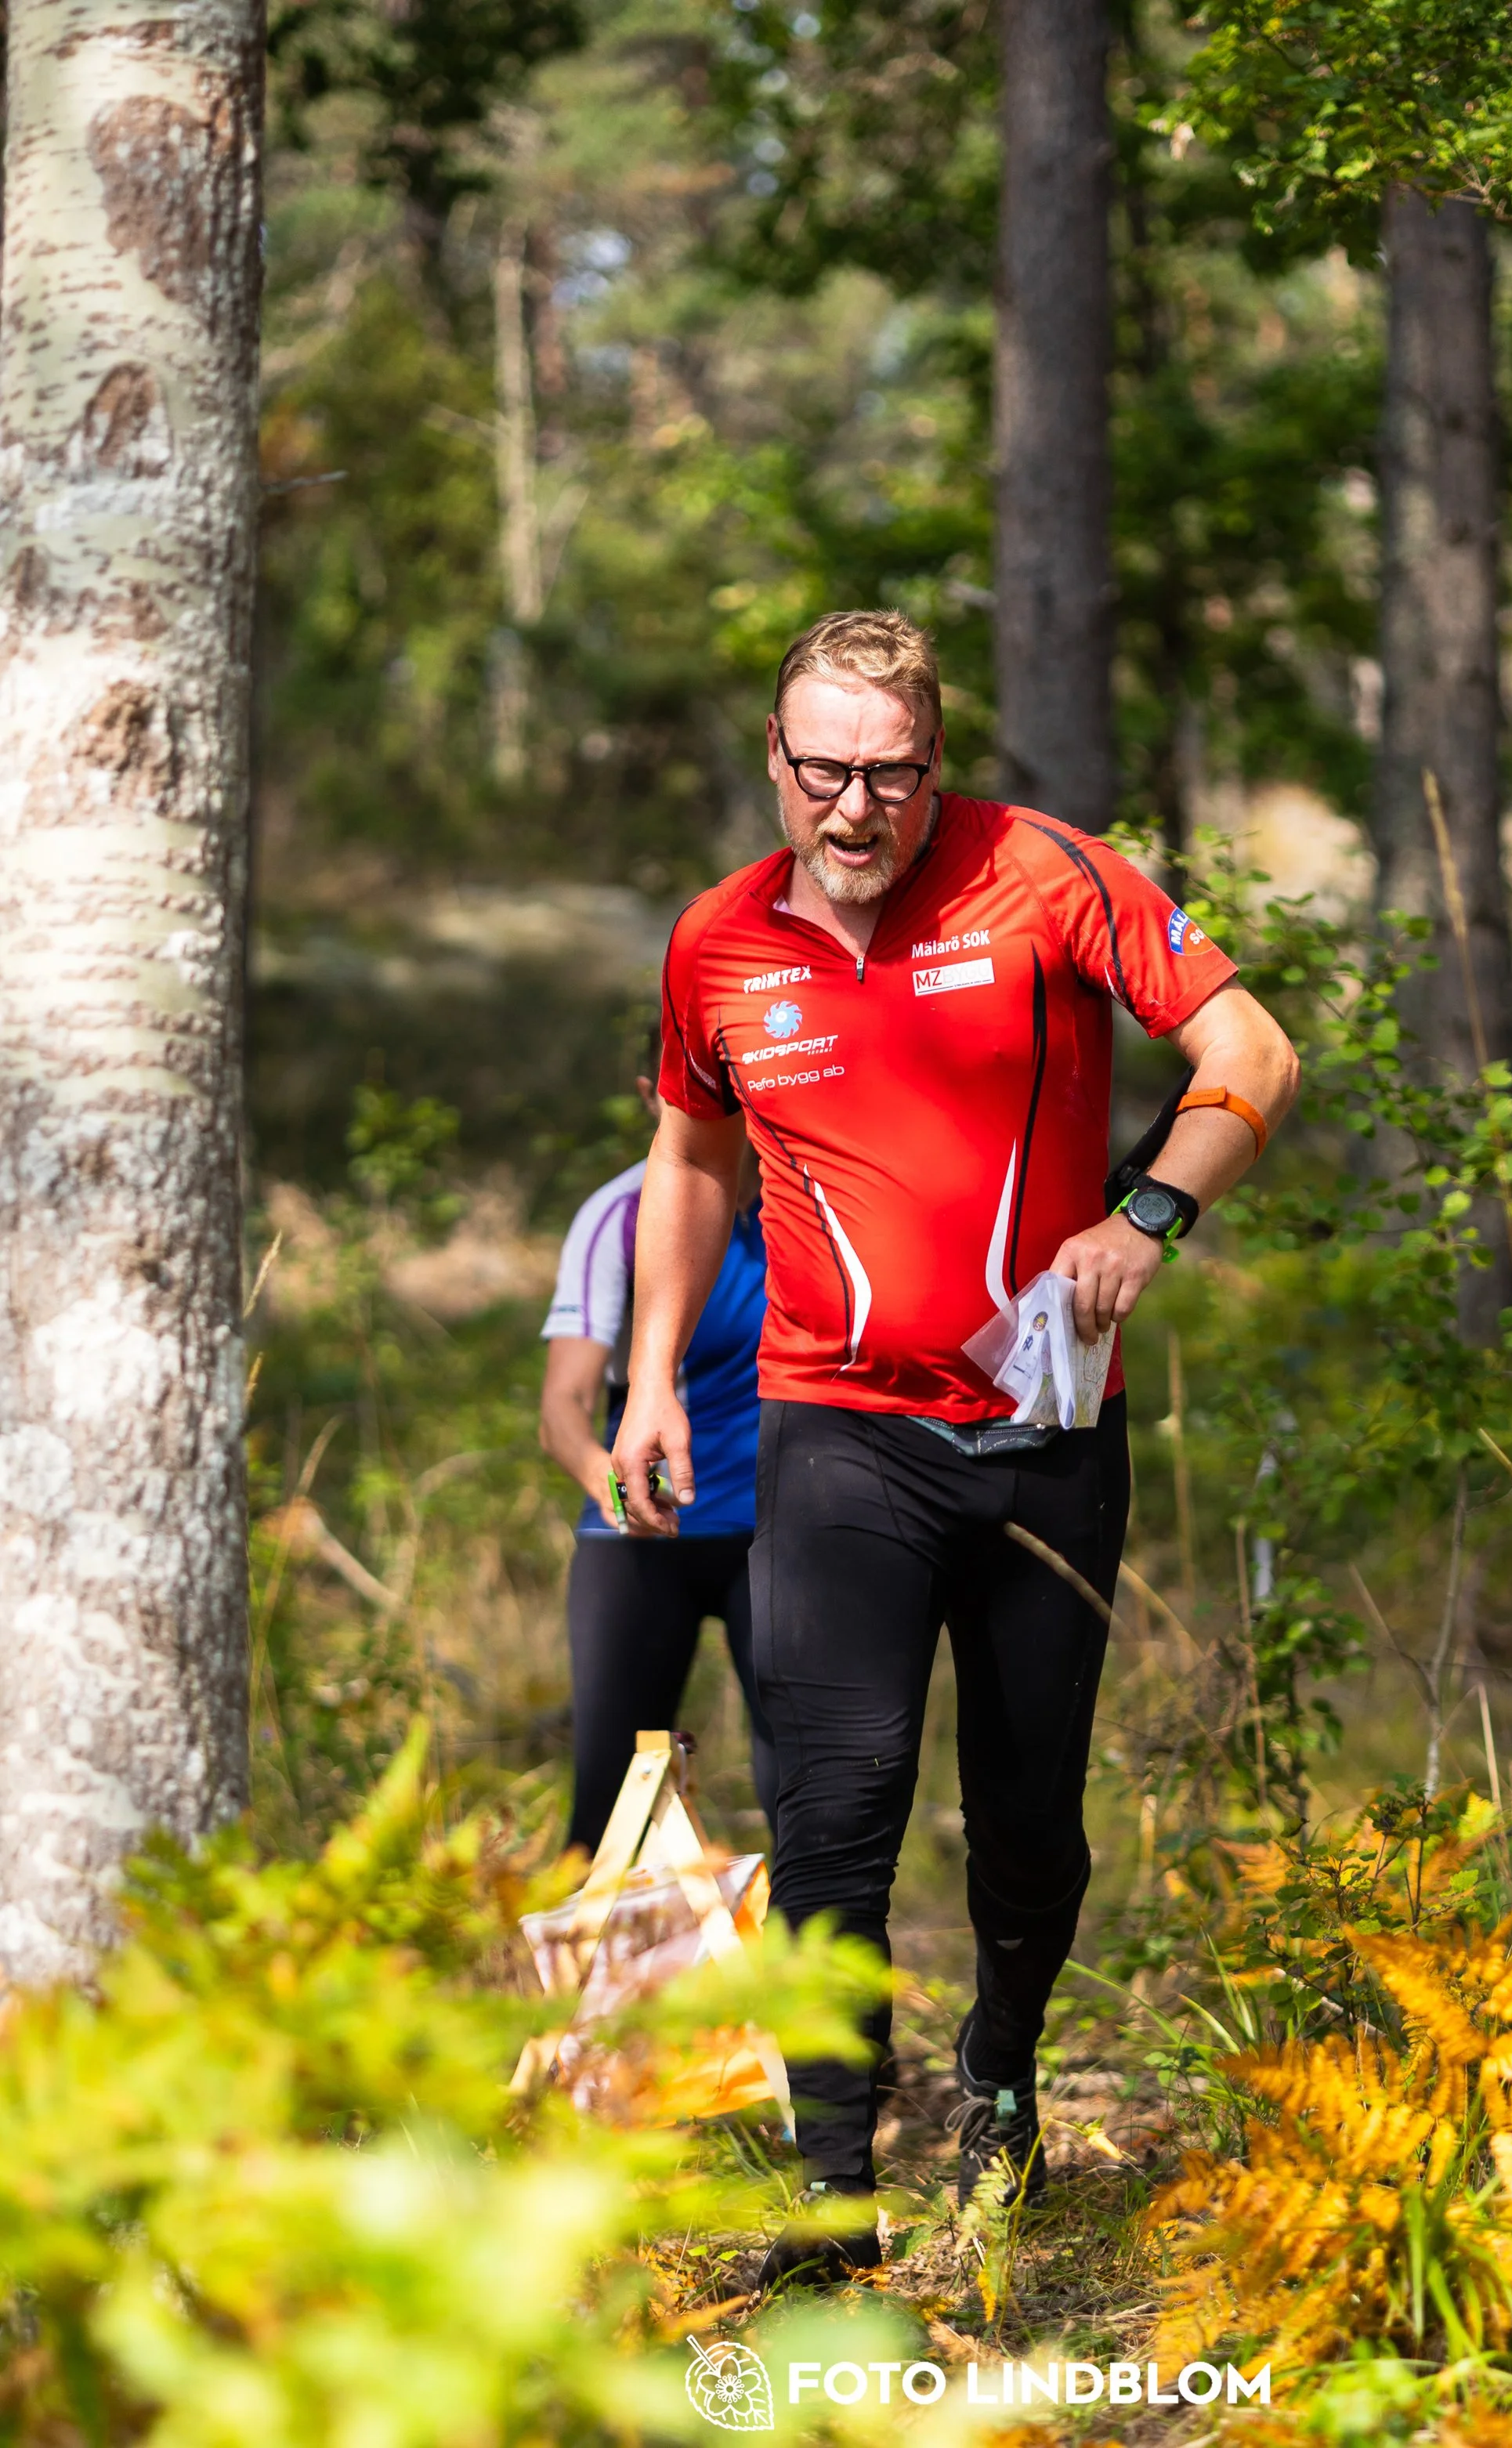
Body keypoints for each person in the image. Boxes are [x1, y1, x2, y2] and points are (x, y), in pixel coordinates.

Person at [611, 609, 1297, 2283]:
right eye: (823, 770)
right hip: (832, 1425)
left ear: (936, 764)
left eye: (890, 773)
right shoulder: (717, 943)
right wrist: (645, 1376)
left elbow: (1249, 1050)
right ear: (775, 761)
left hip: (1042, 1430)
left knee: (1024, 1818)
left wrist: (1146, 1213)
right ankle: (833, 2190)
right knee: (831, 1799)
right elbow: (690, 1163)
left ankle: (997, 2066)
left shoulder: (1046, 874)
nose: (854, 807)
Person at [538, 1043, 776, 1854]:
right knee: (608, 1812)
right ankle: (581, 1981)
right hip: (640, 1537)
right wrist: (607, 1482)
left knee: (808, 1796)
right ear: (651, 1096)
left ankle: (801, 1977)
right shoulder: (620, 1214)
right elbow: (563, 1405)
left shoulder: (806, 1204)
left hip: (777, 1536)